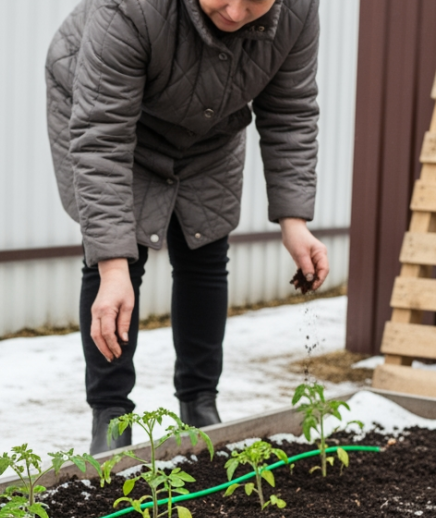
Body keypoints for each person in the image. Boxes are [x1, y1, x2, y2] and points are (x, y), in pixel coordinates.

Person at [46, 0, 328, 453]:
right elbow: (103, 138)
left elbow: (290, 109)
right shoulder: (130, 9)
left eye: (254, 2)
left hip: (210, 130)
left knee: (205, 247)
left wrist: (294, 222)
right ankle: (111, 417)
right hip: (110, 119)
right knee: (119, 256)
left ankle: (200, 407)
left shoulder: (298, 10)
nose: (236, 14)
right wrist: (112, 267)